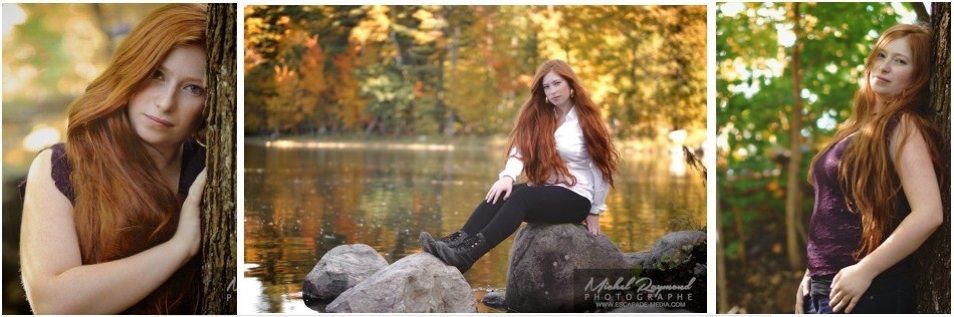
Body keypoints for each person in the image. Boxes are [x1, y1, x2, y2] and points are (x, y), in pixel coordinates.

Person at [19, 4, 210, 314]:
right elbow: (52, 304)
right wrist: (181, 247)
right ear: (132, 69)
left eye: (193, 88)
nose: (165, 103)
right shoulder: (62, 166)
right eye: (156, 75)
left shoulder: (209, 174)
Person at [795, 24, 944, 314]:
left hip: (869, 291)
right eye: (881, 55)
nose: (885, 66)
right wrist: (810, 274)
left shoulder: (903, 125)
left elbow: (929, 214)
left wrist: (864, 271)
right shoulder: (857, 128)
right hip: (824, 288)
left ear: (918, 75)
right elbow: (835, 210)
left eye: (900, 61)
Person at [419, 59, 619, 273]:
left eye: (557, 83)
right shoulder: (541, 116)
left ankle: (468, 255)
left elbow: (602, 169)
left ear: (570, 84)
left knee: (523, 197)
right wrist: (507, 177)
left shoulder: (586, 121)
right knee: (504, 193)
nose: (552, 91)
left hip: (576, 197)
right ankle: (457, 242)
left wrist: (595, 211)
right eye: (546, 87)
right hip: (547, 191)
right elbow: (520, 151)